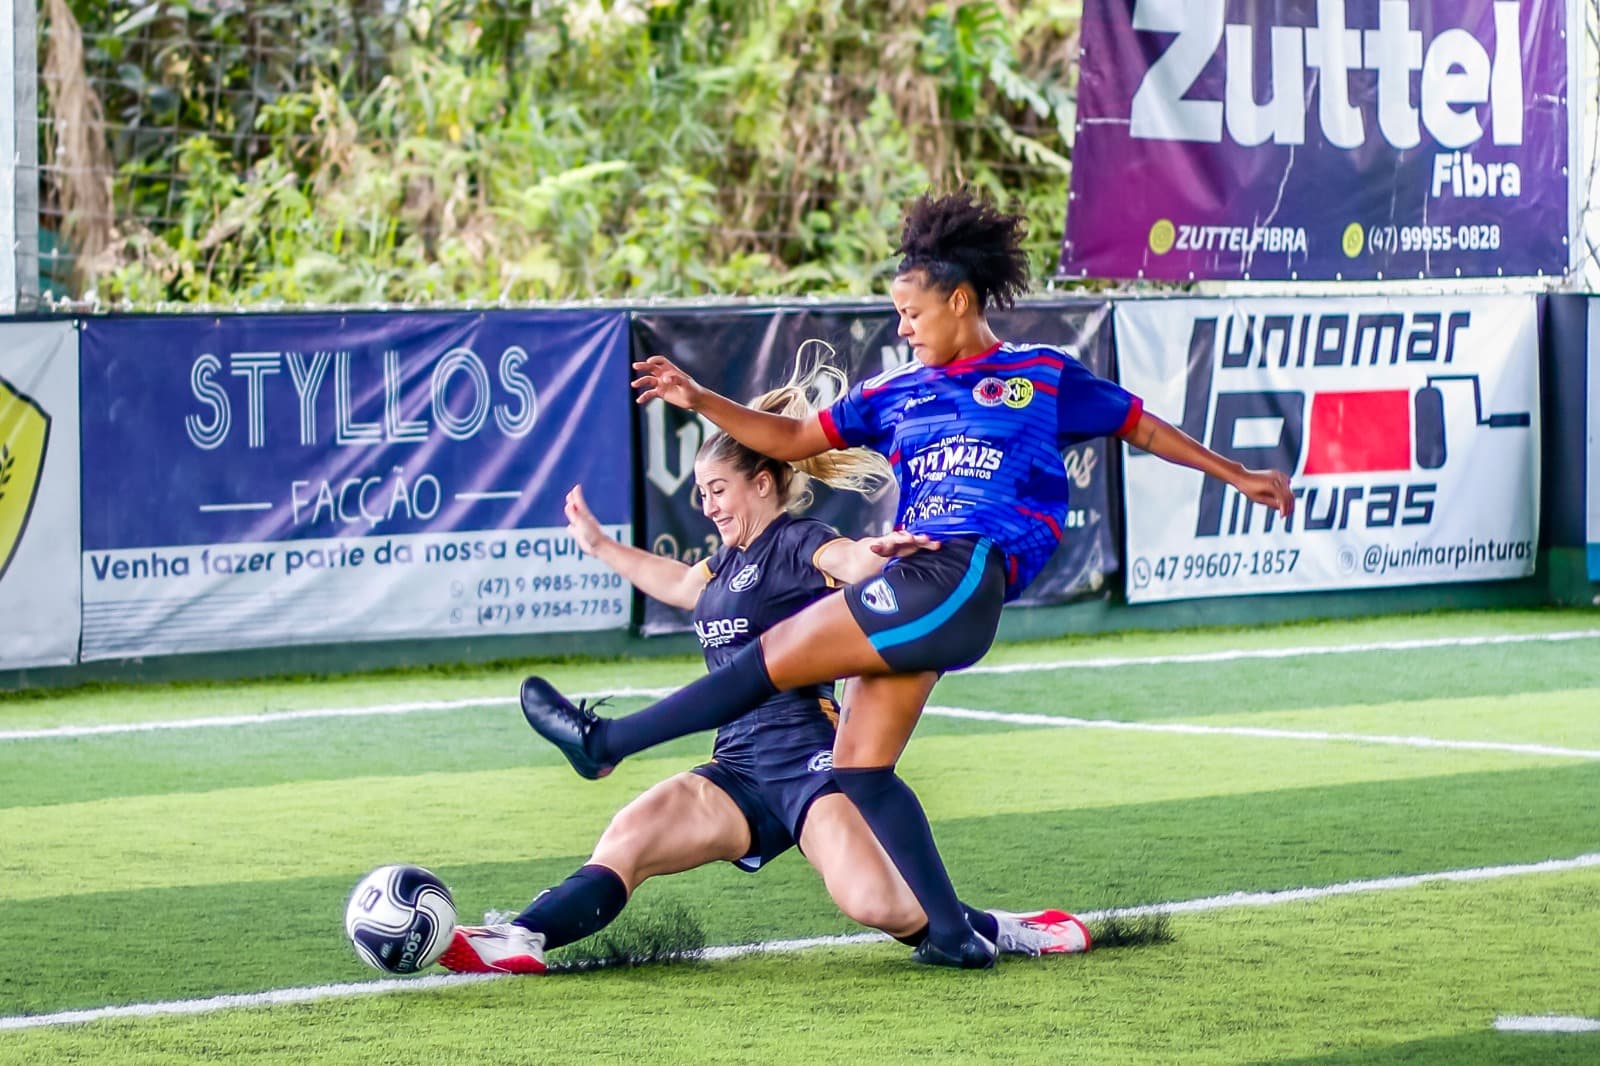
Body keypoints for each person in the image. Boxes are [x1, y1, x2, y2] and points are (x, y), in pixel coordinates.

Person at [520, 189, 1295, 968]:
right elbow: (792, 438)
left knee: (772, 656)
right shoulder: (895, 393)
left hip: (962, 569)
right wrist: (700, 400)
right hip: (922, 581)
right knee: (859, 769)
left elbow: (1142, 426)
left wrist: (1238, 475)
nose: (902, 328)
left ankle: (606, 741)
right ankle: (955, 936)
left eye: (911, 313)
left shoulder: (1040, 375)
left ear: (959, 301)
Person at [440, 372, 1091, 975]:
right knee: (627, 839)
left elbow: (850, 561)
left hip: (808, 760)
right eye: (701, 494)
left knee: (876, 902)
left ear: (761, 484)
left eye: (718, 490)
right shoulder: (725, 565)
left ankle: (1004, 929)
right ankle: (518, 937)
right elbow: (679, 585)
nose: (708, 505)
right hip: (736, 768)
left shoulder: (799, 540)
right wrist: (600, 546)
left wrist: (880, 556)